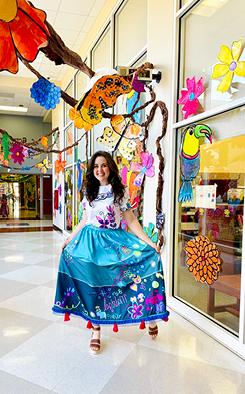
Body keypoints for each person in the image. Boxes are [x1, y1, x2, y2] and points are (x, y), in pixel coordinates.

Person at [52, 151, 169, 355]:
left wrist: (150, 243)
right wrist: (69, 239)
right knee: (92, 283)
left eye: (104, 165)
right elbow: (84, 220)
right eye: (96, 166)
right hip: (90, 242)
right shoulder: (88, 191)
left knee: (132, 274)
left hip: (114, 241)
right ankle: (95, 329)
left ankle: (149, 316)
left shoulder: (119, 191)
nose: (100, 170)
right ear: (92, 169)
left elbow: (131, 221)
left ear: (110, 167)